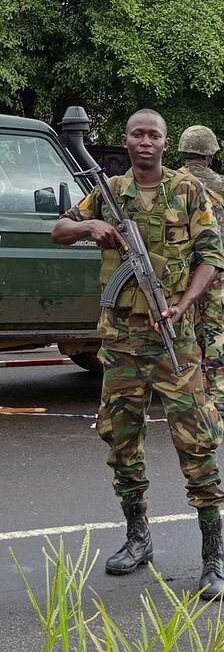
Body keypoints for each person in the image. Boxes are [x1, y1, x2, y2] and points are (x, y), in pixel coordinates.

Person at [51, 108, 224, 599]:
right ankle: (138, 538)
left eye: (154, 135)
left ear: (166, 144)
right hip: (122, 344)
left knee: (197, 442)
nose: (145, 142)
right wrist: (92, 227)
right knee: (121, 442)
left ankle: (213, 555)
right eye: (137, 134)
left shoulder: (187, 190)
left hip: (175, 343)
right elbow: (58, 230)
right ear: (125, 141)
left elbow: (212, 256)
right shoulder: (111, 191)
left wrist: (184, 303)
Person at [178, 125, 224, 415]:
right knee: (217, 332)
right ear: (210, 154)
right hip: (218, 272)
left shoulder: (172, 184)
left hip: (184, 274)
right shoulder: (221, 185)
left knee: (187, 333)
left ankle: (191, 393)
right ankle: (219, 394)